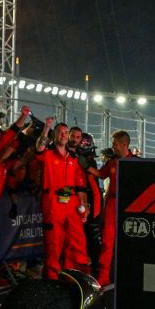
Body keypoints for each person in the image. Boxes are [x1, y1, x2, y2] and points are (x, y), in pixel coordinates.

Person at [36, 117, 90, 279]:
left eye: (66, 133)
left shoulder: (73, 159)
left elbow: (80, 184)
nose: (64, 135)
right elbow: (39, 147)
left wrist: (84, 206)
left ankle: (75, 275)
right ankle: (52, 278)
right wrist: (47, 127)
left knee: (77, 240)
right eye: (60, 133)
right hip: (52, 201)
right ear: (54, 136)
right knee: (53, 243)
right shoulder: (47, 155)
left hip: (71, 202)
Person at [91, 129, 130, 285]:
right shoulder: (112, 162)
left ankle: (127, 272)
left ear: (124, 144)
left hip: (128, 204)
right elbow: (101, 174)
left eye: (115, 144)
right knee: (107, 241)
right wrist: (87, 166)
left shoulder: (135, 161)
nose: (113, 147)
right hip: (113, 203)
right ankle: (104, 276)